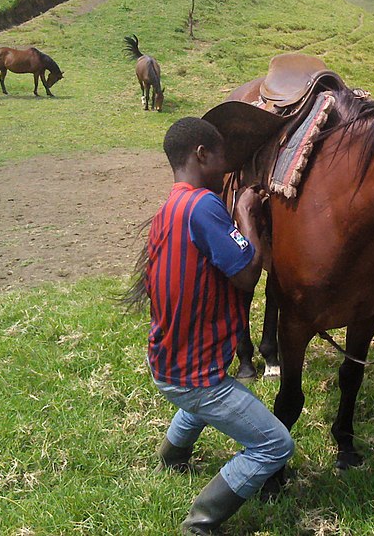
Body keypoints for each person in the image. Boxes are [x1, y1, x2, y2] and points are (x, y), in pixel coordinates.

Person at [143, 117, 294, 535]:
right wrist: (245, 213)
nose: (229, 167)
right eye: (224, 157)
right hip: (193, 376)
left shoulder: (170, 205)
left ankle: (172, 456)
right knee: (274, 445)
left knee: (201, 398)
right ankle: (202, 522)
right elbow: (246, 275)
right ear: (202, 154)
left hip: (166, 360)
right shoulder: (203, 205)